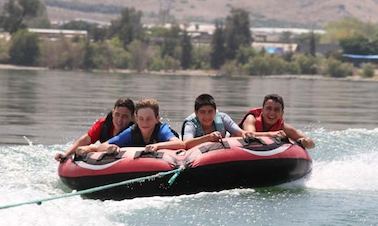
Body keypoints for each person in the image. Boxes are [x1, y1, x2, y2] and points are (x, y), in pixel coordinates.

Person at [76, 98, 185, 155]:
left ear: (157, 119)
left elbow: (180, 144)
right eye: (141, 119)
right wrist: (111, 147)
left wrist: (157, 146)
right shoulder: (132, 132)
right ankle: (88, 149)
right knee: (99, 148)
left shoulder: (162, 130)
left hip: (167, 155)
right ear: (136, 119)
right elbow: (103, 146)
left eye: (149, 119)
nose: (144, 123)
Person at [54, 97, 135, 161]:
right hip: (103, 153)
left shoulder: (136, 130)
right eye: (117, 114)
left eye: (125, 116)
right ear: (113, 113)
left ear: (132, 117)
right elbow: (85, 140)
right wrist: (66, 154)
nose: (119, 120)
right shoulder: (103, 125)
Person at [239, 94, 315, 149]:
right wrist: (271, 134)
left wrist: (304, 142)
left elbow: (311, 144)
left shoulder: (284, 127)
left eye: (277, 110)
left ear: (282, 114)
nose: (272, 113)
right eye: (268, 108)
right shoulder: (251, 118)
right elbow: (249, 134)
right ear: (262, 110)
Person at [182, 93, 250, 149]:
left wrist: (247, 135)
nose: (207, 116)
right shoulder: (191, 123)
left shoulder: (222, 118)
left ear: (215, 111)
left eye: (210, 111)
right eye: (202, 112)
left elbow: (241, 133)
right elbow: (186, 144)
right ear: (196, 113)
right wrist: (209, 138)